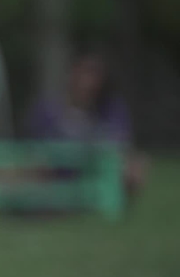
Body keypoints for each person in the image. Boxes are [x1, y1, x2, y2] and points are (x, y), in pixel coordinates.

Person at [28, 49, 148, 198]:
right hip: (57, 169)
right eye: (85, 72)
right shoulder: (48, 109)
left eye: (95, 74)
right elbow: (35, 146)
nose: (88, 81)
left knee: (135, 164)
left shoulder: (111, 109)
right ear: (72, 74)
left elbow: (121, 142)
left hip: (95, 167)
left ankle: (111, 202)